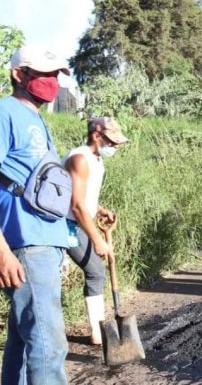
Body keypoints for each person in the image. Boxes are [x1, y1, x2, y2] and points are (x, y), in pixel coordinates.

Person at [0, 46, 72, 383]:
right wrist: (2, 252)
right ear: (19, 74)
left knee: (25, 343)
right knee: (49, 345)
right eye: (44, 74)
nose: (52, 81)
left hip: (45, 240)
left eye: (55, 75)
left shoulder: (37, 119)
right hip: (25, 242)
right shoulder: (5, 112)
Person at [64, 116, 128, 345]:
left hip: (79, 221)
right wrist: (97, 240)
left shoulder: (96, 160)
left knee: (96, 271)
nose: (115, 146)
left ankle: (97, 330)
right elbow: (76, 205)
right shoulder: (80, 159)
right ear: (96, 135)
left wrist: (100, 210)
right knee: (96, 271)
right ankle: (97, 332)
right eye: (111, 141)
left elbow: (82, 196)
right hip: (66, 224)